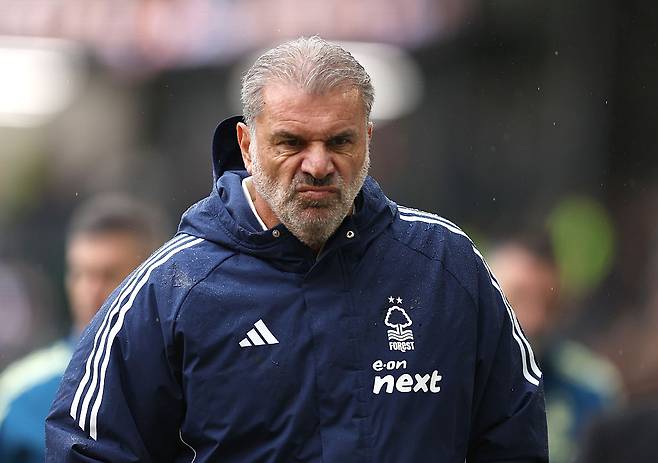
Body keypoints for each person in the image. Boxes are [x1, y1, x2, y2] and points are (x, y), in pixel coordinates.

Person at [46, 36, 548, 462]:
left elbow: (515, 436)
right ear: (247, 145)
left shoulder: (445, 266)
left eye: (340, 142)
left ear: (368, 140)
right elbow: (87, 448)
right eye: (291, 143)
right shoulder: (171, 289)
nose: (318, 165)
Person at [0, 194, 167, 463]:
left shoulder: (186, 380)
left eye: (109, 274)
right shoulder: (19, 394)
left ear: (155, 278)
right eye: (81, 274)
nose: (91, 291)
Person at [489, 234, 623, 463]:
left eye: (549, 304)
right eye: (518, 298)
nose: (535, 319)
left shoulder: (590, 387)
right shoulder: (443, 377)